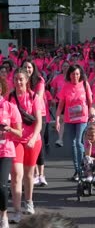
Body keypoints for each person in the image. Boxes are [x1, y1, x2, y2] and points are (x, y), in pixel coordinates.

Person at [8, 68, 43, 223]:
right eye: (16, 79)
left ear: (27, 80)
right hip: (15, 140)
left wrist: (33, 138)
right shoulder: (10, 97)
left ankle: (28, 201)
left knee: (29, 174)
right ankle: (16, 211)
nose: (18, 82)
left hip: (32, 140)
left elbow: (39, 122)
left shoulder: (34, 97)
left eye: (21, 79)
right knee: (16, 175)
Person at [55, 64, 95, 181]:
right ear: (69, 75)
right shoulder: (66, 87)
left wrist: (92, 114)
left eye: (77, 74)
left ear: (80, 74)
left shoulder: (84, 84)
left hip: (82, 118)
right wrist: (57, 119)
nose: (75, 76)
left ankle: (83, 168)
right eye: (73, 74)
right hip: (69, 119)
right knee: (72, 144)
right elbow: (60, 106)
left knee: (79, 142)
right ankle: (77, 170)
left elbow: (91, 101)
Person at [21, 60, 48, 187]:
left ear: (33, 68)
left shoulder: (39, 80)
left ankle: (41, 174)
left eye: (29, 67)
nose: (27, 69)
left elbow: (38, 96)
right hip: (24, 114)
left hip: (38, 113)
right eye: (25, 67)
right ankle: (34, 173)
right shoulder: (20, 79)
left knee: (38, 142)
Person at [0, 76, 22, 227]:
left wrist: (9, 129)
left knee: (1, 185)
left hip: (5, 150)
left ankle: (3, 215)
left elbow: (19, 133)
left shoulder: (10, 107)